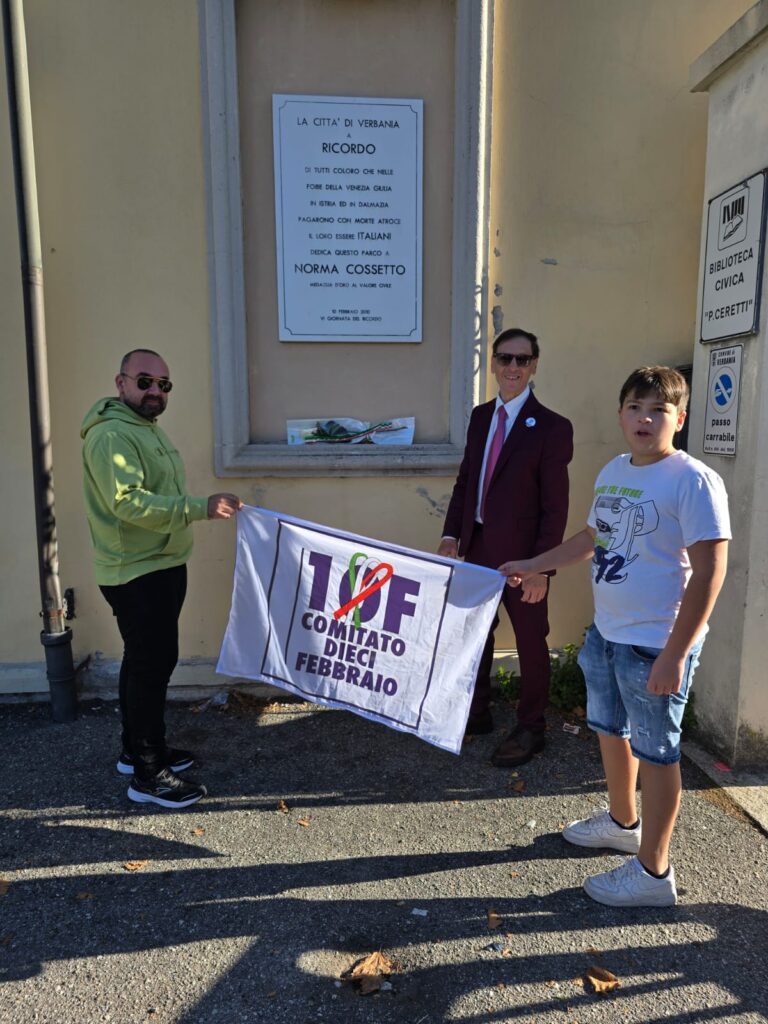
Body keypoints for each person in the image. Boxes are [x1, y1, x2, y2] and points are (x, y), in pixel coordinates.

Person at [500, 366, 730, 906]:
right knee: (610, 730)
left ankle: (653, 874)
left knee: (658, 753)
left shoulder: (692, 479)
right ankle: (624, 823)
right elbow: (592, 537)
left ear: (680, 418)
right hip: (607, 633)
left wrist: (675, 654)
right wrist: (535, 563)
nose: (644, 419)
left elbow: (711, 571)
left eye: (658, 410)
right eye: (634, 407)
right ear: (621, 414)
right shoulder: (614, 470)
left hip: (656, 644)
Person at [81, 349, 242, 809]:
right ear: (121, 382)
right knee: (151, 667)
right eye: (145, 381)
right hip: (136, 571)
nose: (155, 391)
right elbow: (127, 503)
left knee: (143, 663)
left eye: (164, 384)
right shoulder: (112, 435)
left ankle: (136, 752)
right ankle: (149, 776)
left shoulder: (143, 427)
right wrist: (199, 508)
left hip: (160, 564)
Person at [439, 328, 573, 766]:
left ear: (534, 365)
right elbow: (466, 481)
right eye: (505, 358)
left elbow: (555, 507)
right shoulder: (481, 417)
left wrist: (541, 569)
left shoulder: (552, 427)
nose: (513, 367)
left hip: (525, 557)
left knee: (531, 641)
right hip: (477, 547)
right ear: (494, 363)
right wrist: (450, 535)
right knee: (475, 633)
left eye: (522, 359)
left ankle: (532, 727)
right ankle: (476, 711)